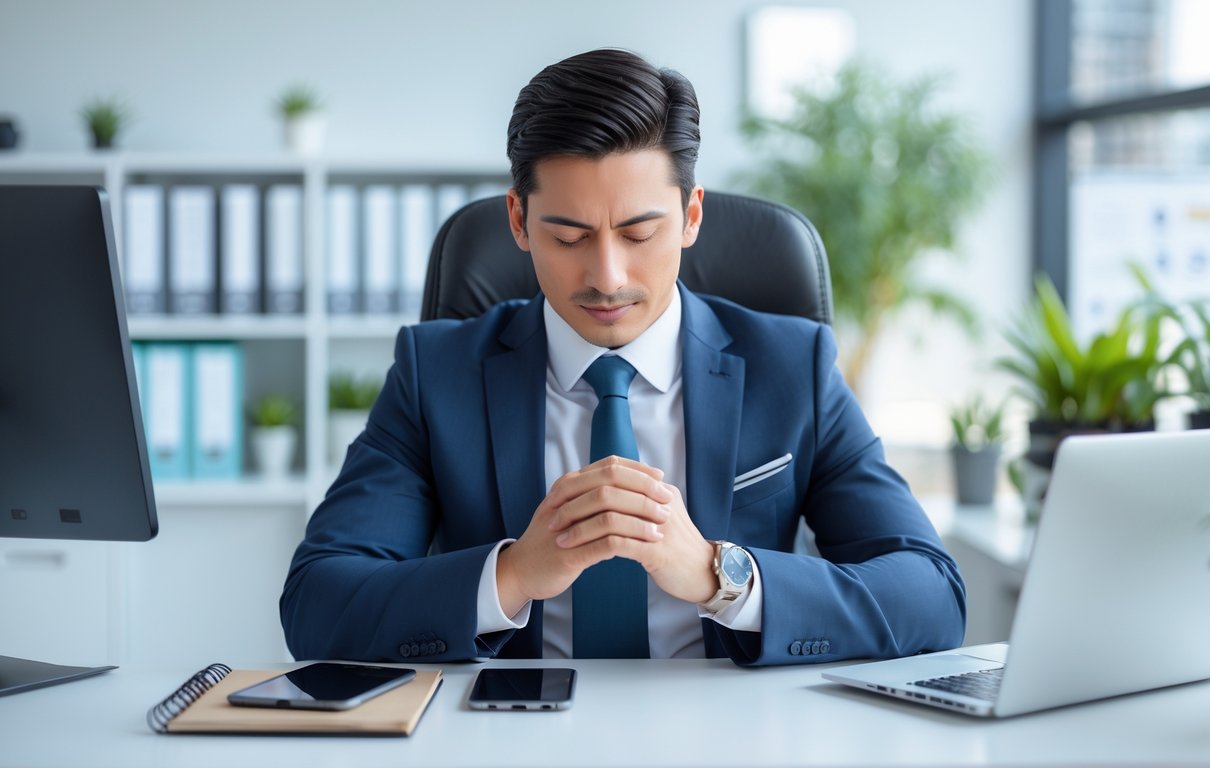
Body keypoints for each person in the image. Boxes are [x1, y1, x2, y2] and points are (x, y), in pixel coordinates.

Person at [280, 48, 965, 665]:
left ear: (692, 216)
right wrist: (514, 574)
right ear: (518, 222)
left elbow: (930, 594)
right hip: (510, 735)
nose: (606, 276)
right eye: (569, 236)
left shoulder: (793, 365)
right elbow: (318, 602)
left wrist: (714, 575)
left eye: (639, 233)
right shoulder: (438, 373)